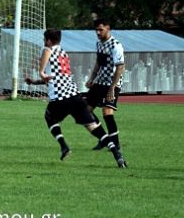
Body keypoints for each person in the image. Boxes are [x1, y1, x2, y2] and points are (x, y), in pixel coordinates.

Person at [26, 29, 126, 167]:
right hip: (75, 96)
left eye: (45, 40)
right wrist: (35, 82)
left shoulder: (48, 49)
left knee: (49, 117)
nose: (44, 43)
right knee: (92, 126)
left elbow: (46, 56)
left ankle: (64, 146)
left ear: (48, 40)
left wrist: (41, 72)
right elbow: (56, 77)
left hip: (60, 97)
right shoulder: (63, 54)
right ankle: (116, 153)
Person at [86, 18, 125, 151]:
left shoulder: (115, 45)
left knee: (107, 112)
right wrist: (92, 78)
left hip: (112, 83)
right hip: (100, 81)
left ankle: (116, 144)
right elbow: (98, 62)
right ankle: (104, 139)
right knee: (86, 111)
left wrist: (112, 89)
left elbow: (120, 67)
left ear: (108, 28)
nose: (98, 32)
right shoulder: (98, 44)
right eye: (96, 30)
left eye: (100, 29)